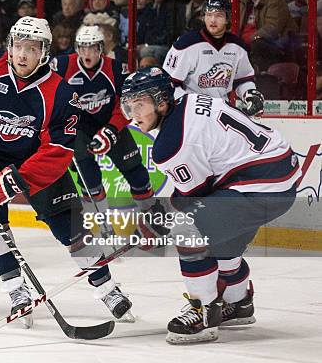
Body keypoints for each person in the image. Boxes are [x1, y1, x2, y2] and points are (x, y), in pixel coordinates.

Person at [0, 17, 132, 327]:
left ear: (44, 53)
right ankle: (16, 290)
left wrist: (15, 180)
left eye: (31, 49)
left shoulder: (60, 93)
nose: (21, 54)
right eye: (18, 46)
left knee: (68, 226)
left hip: (35, 160)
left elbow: (58, 151)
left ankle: (107, 289)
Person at [119, 66, 300, 344]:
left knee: (187, 231)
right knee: (220, 236)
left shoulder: (171, 144)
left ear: (161, 101)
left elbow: (196, 197)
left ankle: (203, 312)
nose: (133, 114)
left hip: (261, 183)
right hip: (278, 172)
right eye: (129, 105)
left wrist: (162, 223)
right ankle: (239, 303)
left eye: (140, 104)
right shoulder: (190, 101)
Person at [50, 25, 160, 228]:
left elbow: (128, 104)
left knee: (136, 172)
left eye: (92, 48)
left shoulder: (117, 69)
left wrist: (111, 130)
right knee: (88, 177)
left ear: (101, 48)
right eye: (82, 48)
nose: (86, 53)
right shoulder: (62, 66)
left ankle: (153, 220)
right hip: (78, 129)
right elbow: (49, 97)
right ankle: (101, 226)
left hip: (111, 124)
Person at [163, 0, 264, 117]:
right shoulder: (187, 44)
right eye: (209, 15)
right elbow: (169, 83)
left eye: (218, 15)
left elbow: (243, 79)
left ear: (227, 19)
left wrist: (250, 94)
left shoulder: (237, 46)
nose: (212, 20)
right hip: (191, 113)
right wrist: (188, 105)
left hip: (221, 112)